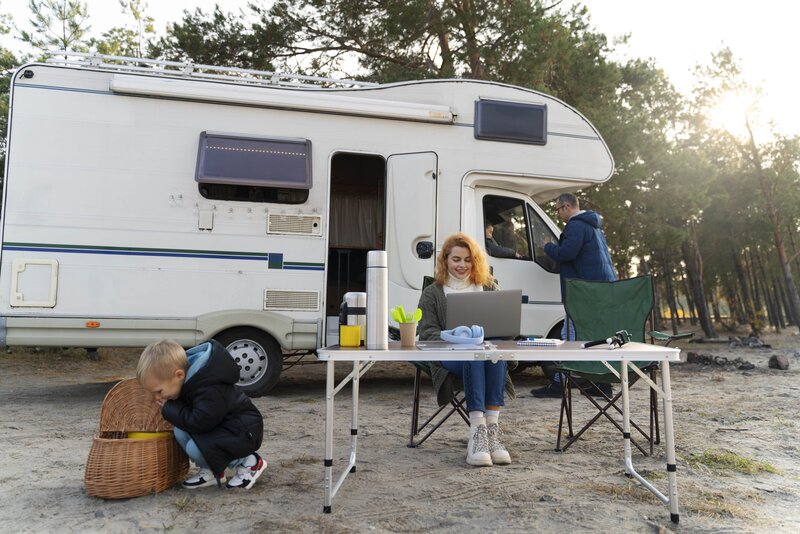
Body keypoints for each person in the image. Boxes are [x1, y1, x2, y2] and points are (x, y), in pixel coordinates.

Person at [417, 233, 515, 466]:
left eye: (468, 259)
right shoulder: (433, 292)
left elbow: (506, 330)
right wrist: (457, 337)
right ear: (445, 261)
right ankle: (477, 434)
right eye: (456, 259)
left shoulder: (489, 287)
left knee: (493, 354)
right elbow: (427, 332)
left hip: (488, 355)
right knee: (474, 354)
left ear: (476, 261)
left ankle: (492, 430)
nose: (462, 265)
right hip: (451, 357)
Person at [137, 339, 266, 490]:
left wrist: (169, 408)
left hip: (244, 432)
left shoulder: (208, 387)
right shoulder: (189, 381)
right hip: (223, 429)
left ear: (178, 375)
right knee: (180, 430)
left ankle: (249, 462)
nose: (157, 398)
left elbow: (200, 422)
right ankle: (211, 470)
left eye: (159, 391)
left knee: (195, 447)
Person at [531, 193, 618, 398]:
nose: (558, 214)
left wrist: (547, 246)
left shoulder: (576, 225)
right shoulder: (593, 226)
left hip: (584, 292)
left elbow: (566, 253)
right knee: (594, 336)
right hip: (599, 288)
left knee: (568, 335)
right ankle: (602, 384)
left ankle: (560, 385)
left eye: (557, 209)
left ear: (566, 206)